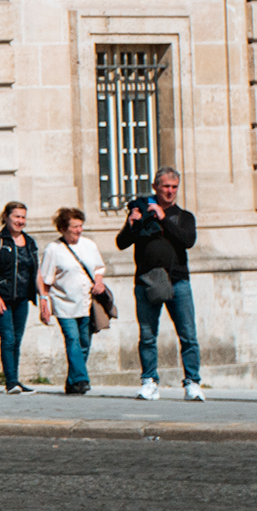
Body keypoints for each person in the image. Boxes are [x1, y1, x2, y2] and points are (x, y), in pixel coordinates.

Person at [113, 167, 202, 402]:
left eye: (174, 187)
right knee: (148, 335)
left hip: (178, 281)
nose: (170, 191)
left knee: (188, 335)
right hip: (147, 281)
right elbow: (121, 243)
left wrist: (164, 219)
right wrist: (131, 225)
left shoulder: (184, 216)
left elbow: (187, 241)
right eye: (165, 186)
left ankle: (192, 382)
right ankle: (149, 381)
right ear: (155, 187)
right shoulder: (141, 211)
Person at [38, 207, 108, 396]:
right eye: (74, 227)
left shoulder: (89, 245)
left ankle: (72, 382)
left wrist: (99, 282)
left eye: (80, 226)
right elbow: (45, 280)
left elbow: (99, 268)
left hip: (86, 302)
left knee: (84, 341)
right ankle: (81, 379)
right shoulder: (53, 249)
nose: (79, 230)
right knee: (72, 339)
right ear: (63, 228)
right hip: (63, 303)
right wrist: (44, 304)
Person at [0, 200, 40, 394]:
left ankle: (15, 379)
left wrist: (44, 298)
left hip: (22, 298)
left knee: (17, 338)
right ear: (6, 217)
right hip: (3, 296)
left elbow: (36, 272)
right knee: (7, 338)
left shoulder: (30, 242)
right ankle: (10, 382)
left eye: (23, 217)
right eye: (16, 216)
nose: (20, 221)